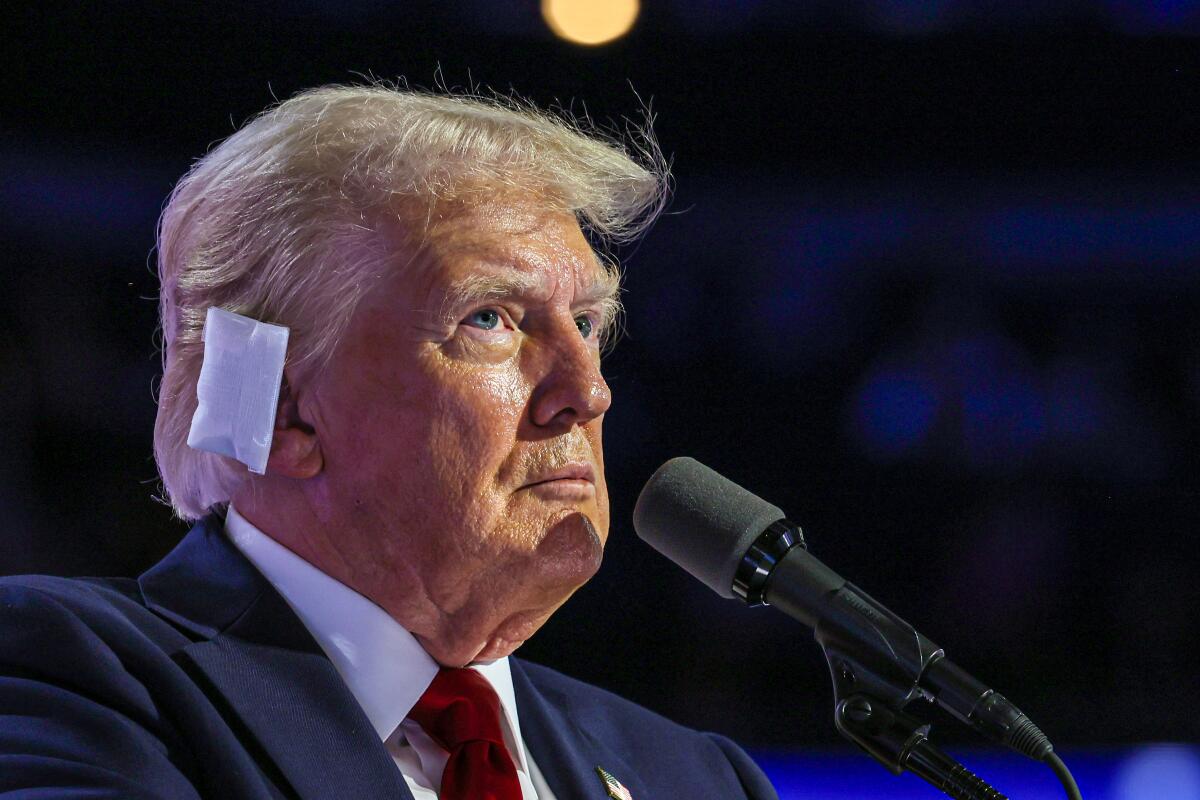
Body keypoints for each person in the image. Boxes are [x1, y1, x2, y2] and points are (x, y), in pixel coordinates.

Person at [0, 85, 778, 799]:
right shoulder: (66, 677)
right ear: (282, 408)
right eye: (490, 319)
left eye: (585, 324)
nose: (589, 391)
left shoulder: (698, 779)